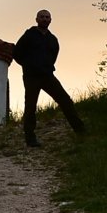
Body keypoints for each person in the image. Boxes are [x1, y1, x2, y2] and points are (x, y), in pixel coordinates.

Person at [13, 9, 86, 146]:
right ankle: (30, 138)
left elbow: (54, 56)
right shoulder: (28, 35)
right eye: (42, 17)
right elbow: (17, 53)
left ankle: (81, 131)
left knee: (65, 100)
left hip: (47, 75)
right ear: (37, 19)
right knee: (30, 106)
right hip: (31, 77)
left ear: (51, 20)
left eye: (47, 17)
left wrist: (46, 67)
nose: (45, 19)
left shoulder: (53, 39)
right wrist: (28, 66)